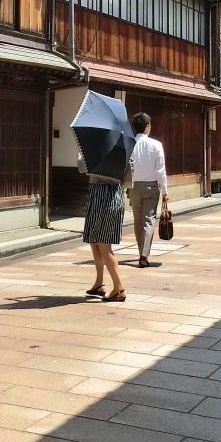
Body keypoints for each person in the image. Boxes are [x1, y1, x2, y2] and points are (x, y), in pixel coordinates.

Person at [80, 152, 129, 302]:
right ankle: (99, 283)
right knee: (94, 241)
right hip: (115, 194)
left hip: (102, 196)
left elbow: (82, 167)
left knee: (103, 243)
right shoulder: (124, 150)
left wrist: (81, 154)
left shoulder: (97, 150)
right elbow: (129, 176)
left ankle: (119, 288)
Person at [128, 112, 170, 268]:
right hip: (151, 186)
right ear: (147, 127)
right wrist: (165, 191)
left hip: (134, 186)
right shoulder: (156, 145)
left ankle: (141, 252)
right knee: (149, 220)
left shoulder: (129, 144)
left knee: (138, 221)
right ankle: (144, 255)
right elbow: (161, 170)